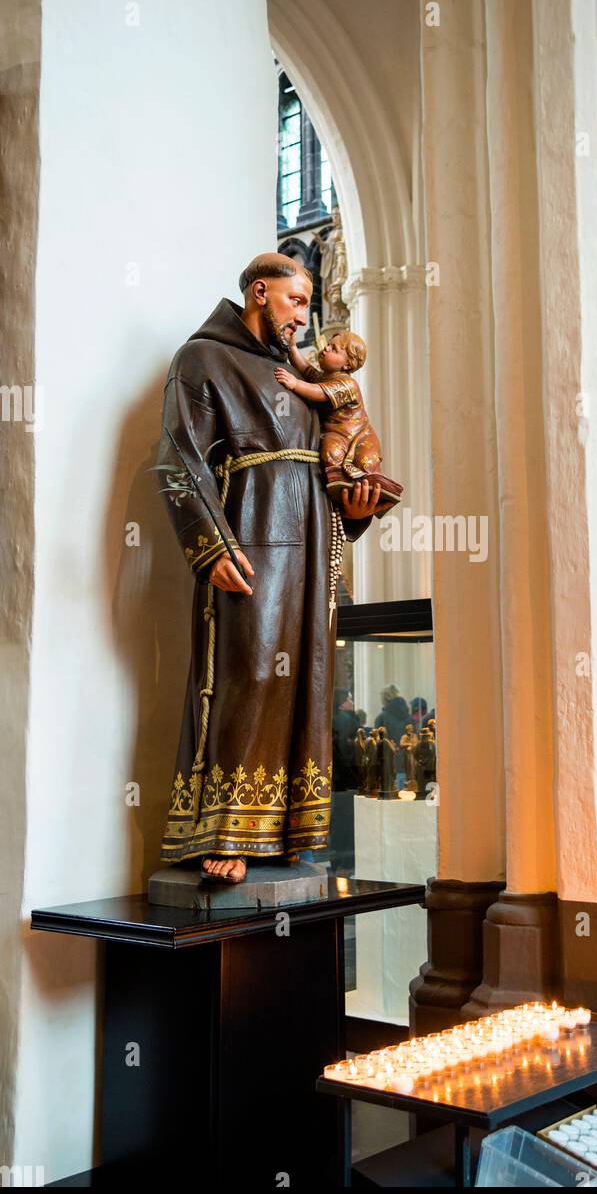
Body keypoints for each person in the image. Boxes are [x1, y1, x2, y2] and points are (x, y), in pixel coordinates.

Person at [156, 253, 381, 883]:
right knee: (247, 672)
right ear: (260, 293)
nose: (305, 315)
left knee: (305, 676)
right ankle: (227, 828)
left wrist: (355, 501)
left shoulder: (300, 372)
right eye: (296, 300)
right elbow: (178, 460)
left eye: (308, 303)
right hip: (251, 535)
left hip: (309, 540)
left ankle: (283, 830)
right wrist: (211, 545)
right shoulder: (201, 359)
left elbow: (337, 450)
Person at [274, 329, 402, 512]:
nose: (325, 349)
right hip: (337, 434)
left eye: (334, 349)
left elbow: (318, 392)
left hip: (358, 436)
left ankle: (363, 483)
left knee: (365, 461)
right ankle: (339, 481)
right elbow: (306, 370)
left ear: (348, 364)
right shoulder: (327, 377)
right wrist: (293, 347)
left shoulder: (348, 384)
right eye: (328, 344)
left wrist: (295, 384)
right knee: (330, 451)